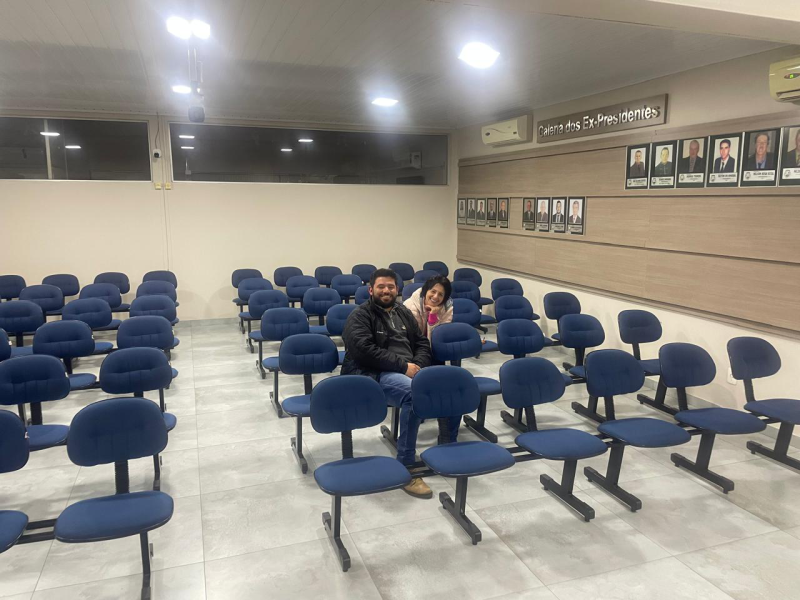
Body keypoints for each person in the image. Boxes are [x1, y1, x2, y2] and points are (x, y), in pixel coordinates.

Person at [342, 268, 460, 499]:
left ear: (397, 289)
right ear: (371, 290)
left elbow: (422, 343)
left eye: (391, 286)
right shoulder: (360, 315)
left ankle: (447, 445)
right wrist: (404, 367)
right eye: (381, 286)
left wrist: (417, 366)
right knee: (413, 395)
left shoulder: (402, 312)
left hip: (410, 369)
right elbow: (364, 350)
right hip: (374, 373)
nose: (386, 290)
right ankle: (407, 464)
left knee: (452, 386)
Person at [403, 275, 453, 341]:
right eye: (433, 291)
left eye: (440, 294)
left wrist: (433, 318)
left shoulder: (447, 309)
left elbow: (440, 338)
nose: (435, 297)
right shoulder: (409, 306)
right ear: (426, 290)